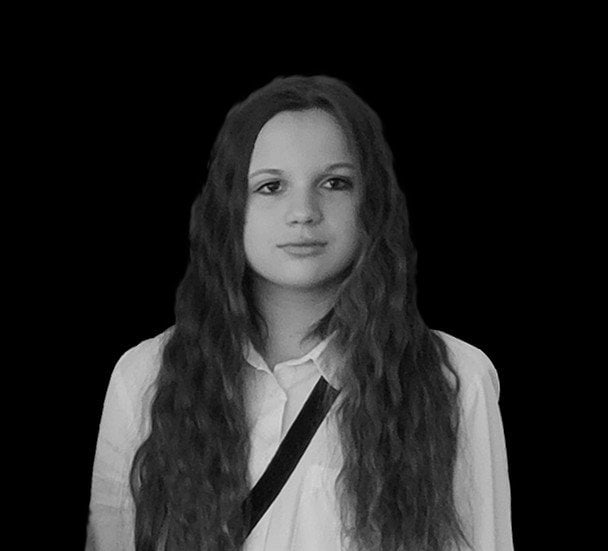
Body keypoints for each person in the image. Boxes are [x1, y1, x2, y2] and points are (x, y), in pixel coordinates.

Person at [86, 75, 513, 550]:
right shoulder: (145, 375)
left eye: (335, 183)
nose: (304, 212)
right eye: (271, 186)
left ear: (371, 203)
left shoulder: (454, 379)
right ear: (229, 207)